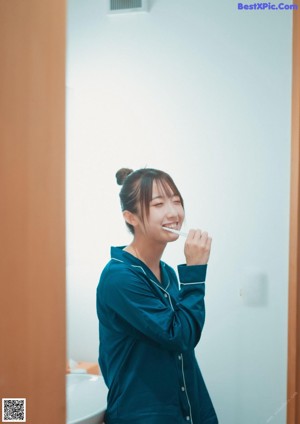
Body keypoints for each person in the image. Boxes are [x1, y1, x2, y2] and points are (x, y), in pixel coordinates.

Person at [96, 167, 218, 424]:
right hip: (141, 415)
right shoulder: (119, 278)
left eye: (176, 200)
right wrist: (195, 273)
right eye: (159, 204)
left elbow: (182, 357)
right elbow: (180, 336)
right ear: (131, 217)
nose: (173, 212)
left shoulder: (167, 273)